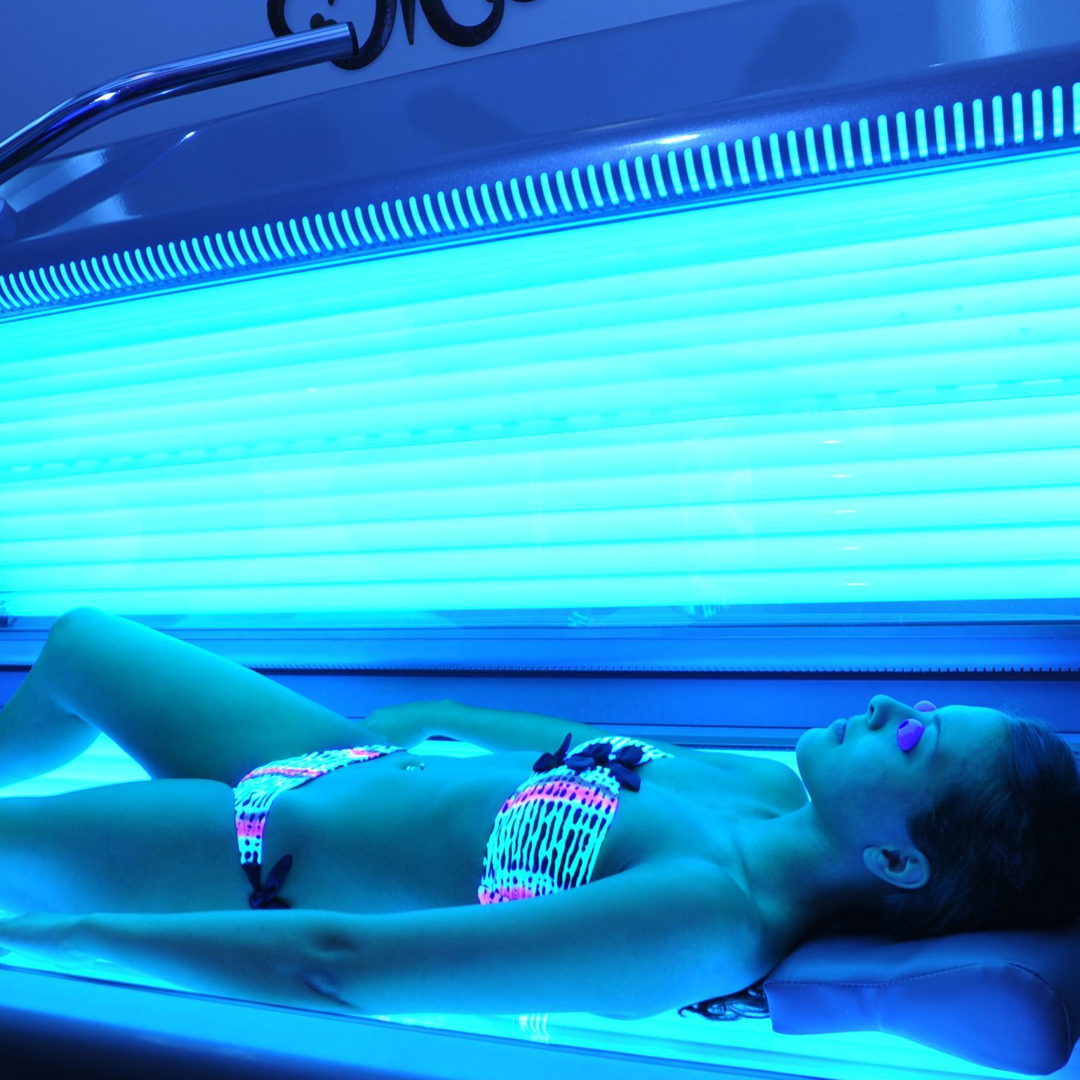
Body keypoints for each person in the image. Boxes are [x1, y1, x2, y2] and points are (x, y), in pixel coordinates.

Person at [0, 606, 1077, 1021]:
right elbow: (591, 749)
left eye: (914, 740)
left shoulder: (705, 920)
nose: (888, 706)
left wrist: (58, 940)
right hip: (332, 758)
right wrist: (454, 720)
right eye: (921, 706)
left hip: (247, 857)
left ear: (897, 861)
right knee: (84, 642)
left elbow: (341, 965)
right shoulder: (771, 791)